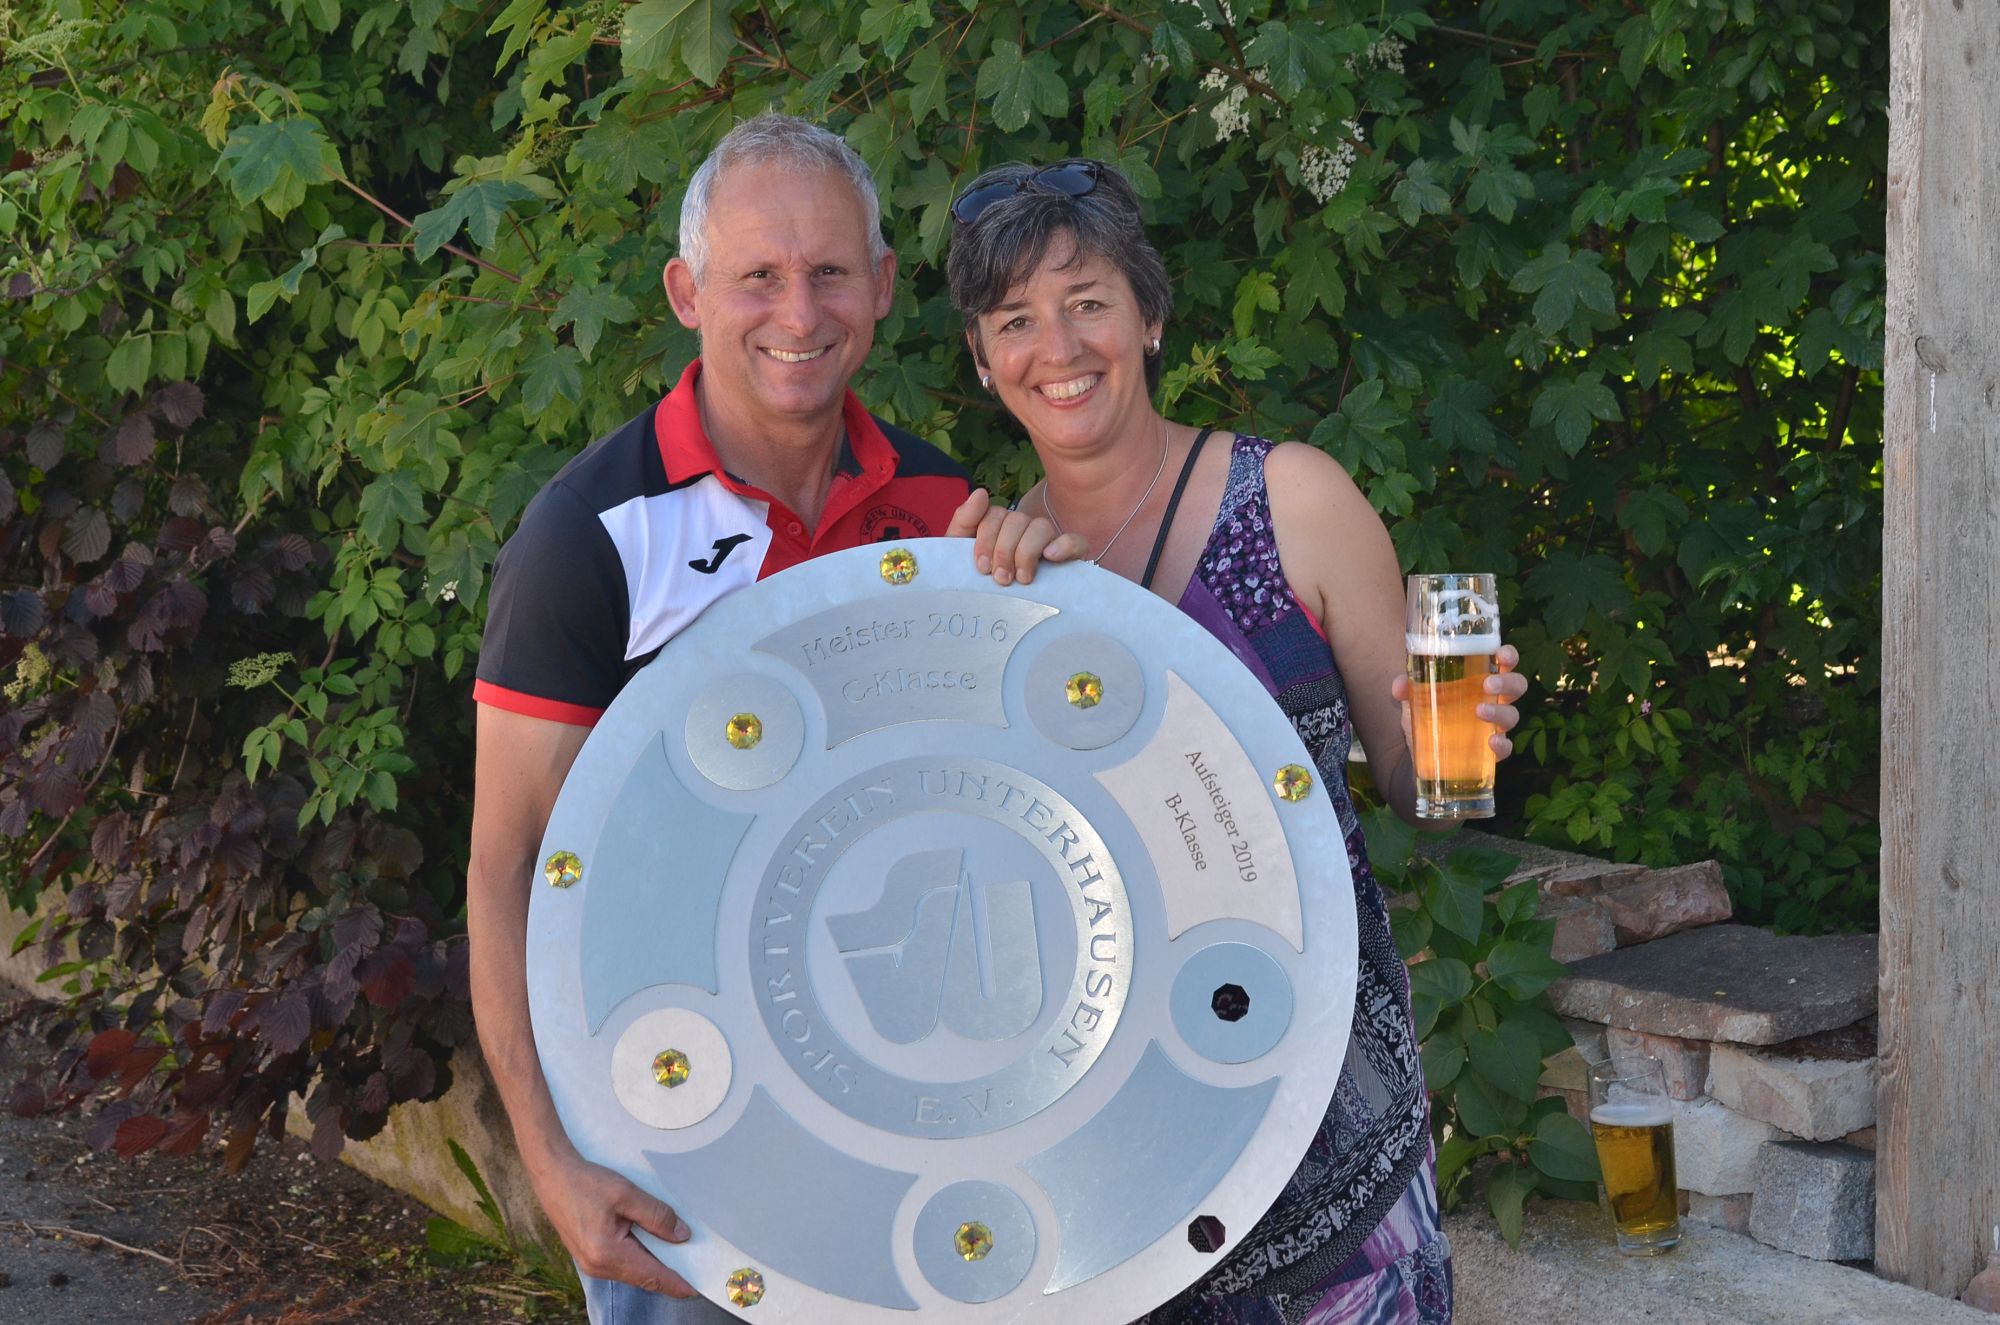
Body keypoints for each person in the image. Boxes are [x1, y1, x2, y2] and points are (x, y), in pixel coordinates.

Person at [465, 113, 1070, 1325]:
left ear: (882, 287)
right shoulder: (591, 534)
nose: (798, 311)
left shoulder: (943, 510)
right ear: (686, 292)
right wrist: (549, 1159)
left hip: (908, 1107)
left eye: (829, 271)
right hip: (673, 1132)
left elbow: (999, 805)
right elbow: (506, 866)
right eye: (757, 275)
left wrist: (1039, 593)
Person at [945, 159, 1530, 1324]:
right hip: (1110, 1143)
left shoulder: (1290, 499)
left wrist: (1469, 743)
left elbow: (1419, 786)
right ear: (980, 359)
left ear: (1149, 317)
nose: (1056, 346)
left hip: (1328, 1113)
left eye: (1087, 301)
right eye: (1014, 319)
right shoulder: (991, 575)